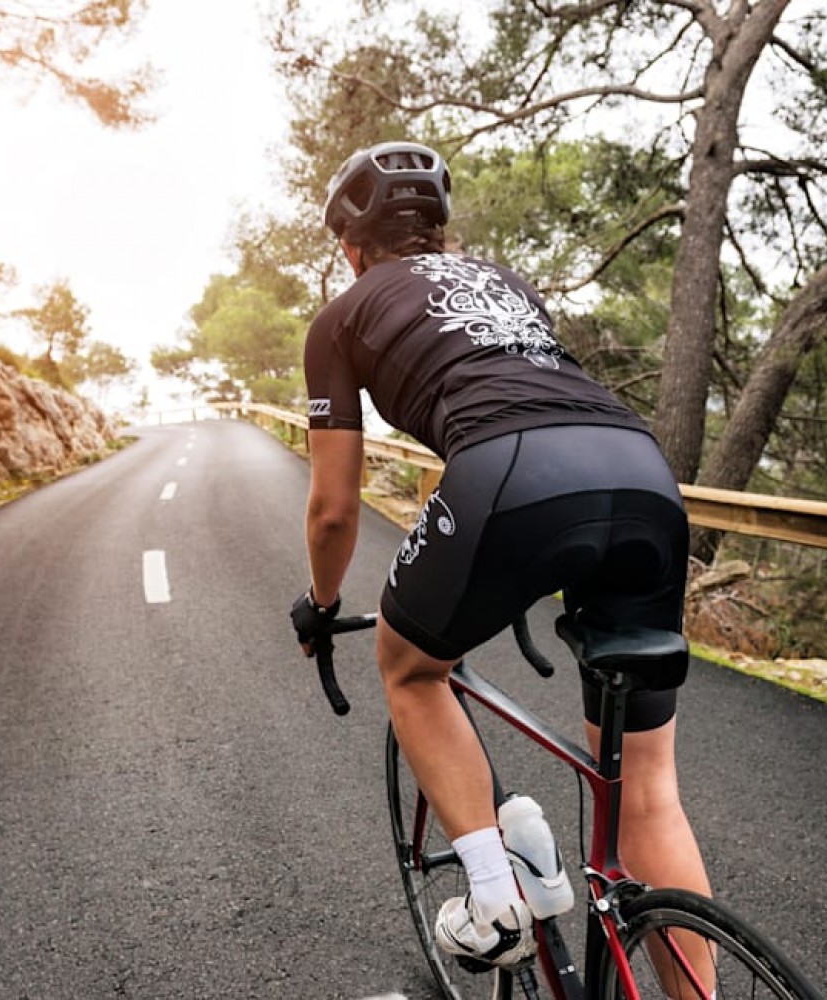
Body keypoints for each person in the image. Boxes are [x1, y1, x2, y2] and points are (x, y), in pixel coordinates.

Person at [289, 141, 713, 970]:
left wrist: (322, 601)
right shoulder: (510, 284)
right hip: (641, 471)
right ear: (441, 234)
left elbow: (335, 507)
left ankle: (494, 900)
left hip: (512, 473)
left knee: (412, 668)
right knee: (648, 789)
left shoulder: (339, 319)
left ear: (349, 246)